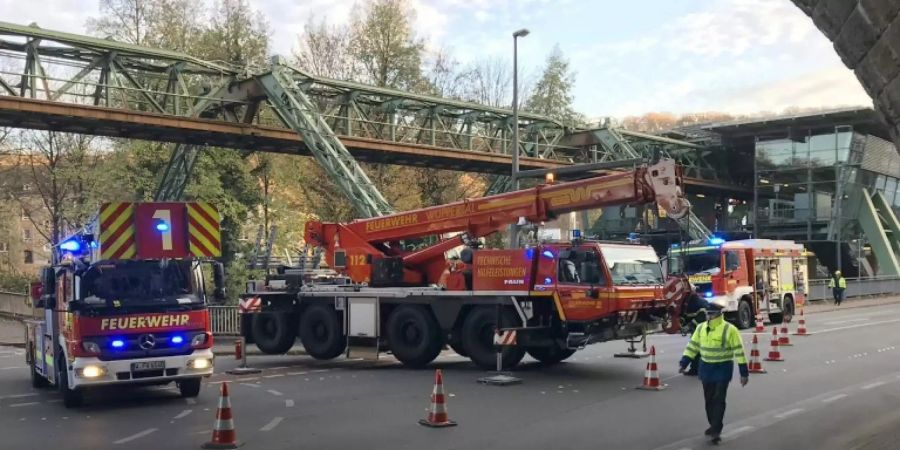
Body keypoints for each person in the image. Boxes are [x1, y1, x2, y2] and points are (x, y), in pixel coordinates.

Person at [679, 302, 749, 444]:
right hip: (706, 369)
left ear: (719, 314)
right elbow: (692, 346)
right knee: (709, 400)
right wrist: (684, 362)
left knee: (718, 400)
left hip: (722, 369)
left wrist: (743, 373)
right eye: (707, 313)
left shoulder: (730, 330)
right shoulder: (701, 328)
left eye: (711, 313)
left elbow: (739, 352)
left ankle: (716, 430)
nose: (708, 316)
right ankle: (713, 424)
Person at [681, 286, 710, 375]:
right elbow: (687, 316)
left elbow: (701, 318)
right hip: (702, 329)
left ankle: (695, 369)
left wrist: (688, 326)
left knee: (696, 350)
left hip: (704, 329)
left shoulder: (696, 302)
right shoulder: (690, 301)